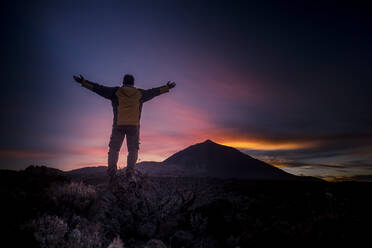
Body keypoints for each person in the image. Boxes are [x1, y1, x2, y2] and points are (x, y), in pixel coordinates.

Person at [73, 74, 176, 187]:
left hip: (118, 125)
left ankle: (112, 176)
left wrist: (84, 82)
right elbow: (154, 92)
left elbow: (99, 88)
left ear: (123, 82)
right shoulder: (139, 93)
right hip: (134, 127)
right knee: (133, 150)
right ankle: (130, 175)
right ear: (133, 83)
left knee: (114, 149)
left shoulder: (115, 92)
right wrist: (166, 87)